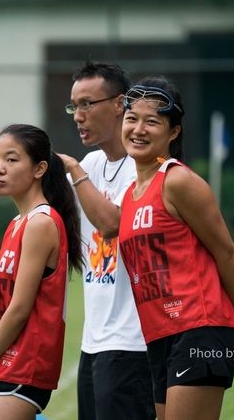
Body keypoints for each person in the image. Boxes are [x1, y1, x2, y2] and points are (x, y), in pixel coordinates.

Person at [116, 76, 234, 420]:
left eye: (152, 121)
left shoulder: (178, 181)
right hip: (160, 335)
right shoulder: (130, 196)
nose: (138, 128)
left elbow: (228, 254)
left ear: (173, 133)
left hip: (200, 327)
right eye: (131, 118)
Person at [0, 124, 83, 420]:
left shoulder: (41, 223)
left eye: (12, 160)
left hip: (22, 365)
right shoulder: (18, 223)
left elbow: (19, 309)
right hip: (1, 361)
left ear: (39, 168)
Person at [57, 61, 156, 420]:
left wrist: (75, 171)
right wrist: (12, 164)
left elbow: (112, 223)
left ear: (119, 104)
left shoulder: (145, 167)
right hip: (94, 342)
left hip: (133, 342)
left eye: (87, 104)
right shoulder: (92, 163)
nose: (78, 115)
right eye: (74, 106)